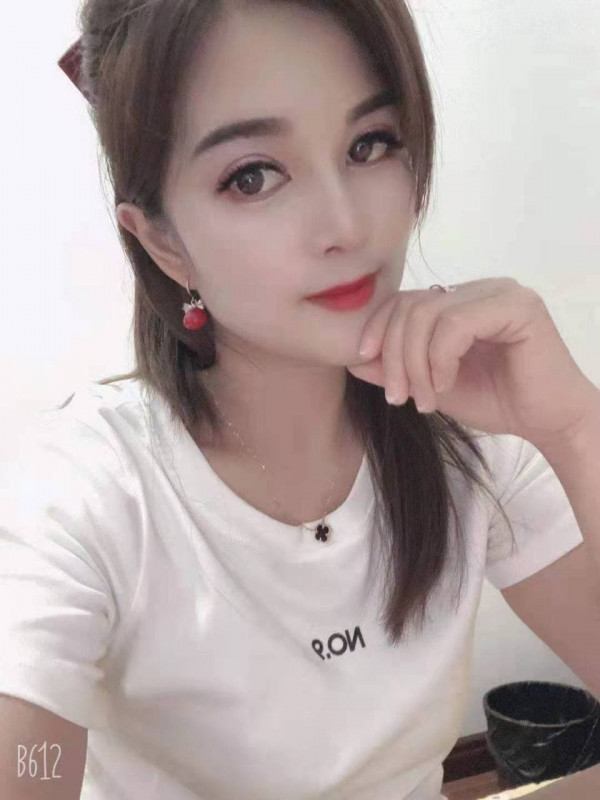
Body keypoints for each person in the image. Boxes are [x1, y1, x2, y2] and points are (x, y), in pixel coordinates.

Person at [0, 1, 588, 798]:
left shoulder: (467, 434)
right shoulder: (89, 491)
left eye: (370, 143)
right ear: (164, 243)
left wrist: (573, 423)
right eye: (253, 175)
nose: (345, 224)